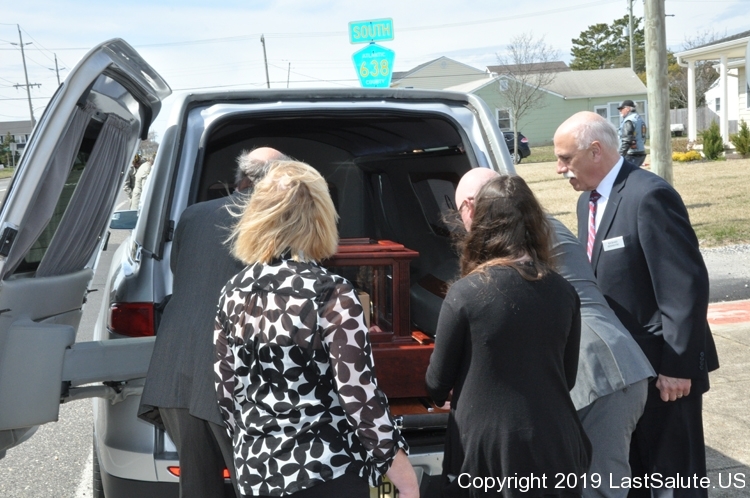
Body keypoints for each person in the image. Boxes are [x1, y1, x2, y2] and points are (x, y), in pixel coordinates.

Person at [214, 160, 419, 498]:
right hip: (324, 470)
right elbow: (358, 398)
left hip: (256, 472)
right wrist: (404, 477)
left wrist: (254, 450)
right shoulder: (332, 294)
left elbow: (226, 393)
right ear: (320, 218)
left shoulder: (233, 291)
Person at [455, 168, 654, 498]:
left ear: (475, 205)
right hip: (589, 373)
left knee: (598, 491)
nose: (463, 223)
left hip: (600, 372)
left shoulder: (522, 238)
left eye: (461, 209)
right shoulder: (530, 229)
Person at [554, 111, 719, 498]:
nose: (559, 169)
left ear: (595, 151)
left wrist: (677, 368)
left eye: (565, 158)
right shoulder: (588, 201)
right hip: (624, 375)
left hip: (665, 375)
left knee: (673, 482)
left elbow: (684, 287)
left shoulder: (648, 195)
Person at [426, 172, 591, 498]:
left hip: (487, 453)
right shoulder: (564, 291)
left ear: (482, 223)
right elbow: (567, 377)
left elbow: (436, 383)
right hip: (556, 444)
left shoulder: (465, 294)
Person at [138, 147, 289, 498]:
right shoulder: (278, 219)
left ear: (242, 177)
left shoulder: (193, 214)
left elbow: (181, 275)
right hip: (237, 375)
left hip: (177, 368)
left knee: (197, 486)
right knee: (258, 483)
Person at [617, 100, 647, 167]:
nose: (620, 111)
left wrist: (619, 157)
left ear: (628, 109)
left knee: (625, 173)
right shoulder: (639, 119)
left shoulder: (629, 120)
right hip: (640, 153)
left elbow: (626, 140)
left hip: (631, 155)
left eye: (621, 109)